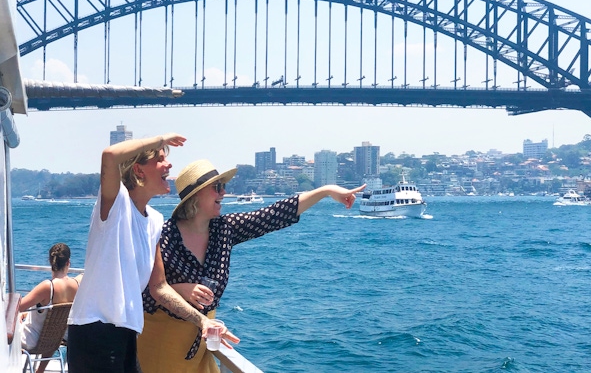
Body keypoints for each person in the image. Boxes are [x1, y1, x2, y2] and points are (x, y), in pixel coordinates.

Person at [137, 159, 365, 373]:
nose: (224, 193)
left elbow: (274, 215)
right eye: (217, 187)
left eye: (223, 186)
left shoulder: (223, 230)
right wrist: (181, 289)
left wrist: (325, 191)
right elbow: (141, 292)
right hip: (161, 342)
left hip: (201, 343)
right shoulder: (162, 236)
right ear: (196, 196)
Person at [66, 134, 238, 373]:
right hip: (95, 330)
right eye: (159, 159)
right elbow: (109, 156)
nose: (168, 165)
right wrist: (160, 139)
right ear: (139, 170)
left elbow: (159, 287)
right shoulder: (116, 204)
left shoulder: (155, 221)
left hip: (128, 331)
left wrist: (202, 321)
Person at [19, 242, 80, 351]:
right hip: (57, 340)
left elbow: (17, 308)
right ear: (68, 262)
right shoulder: (76, 286)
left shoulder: (47, 286)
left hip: (32, 340)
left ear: (50, 262)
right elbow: (53, 316)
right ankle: (40, 369)